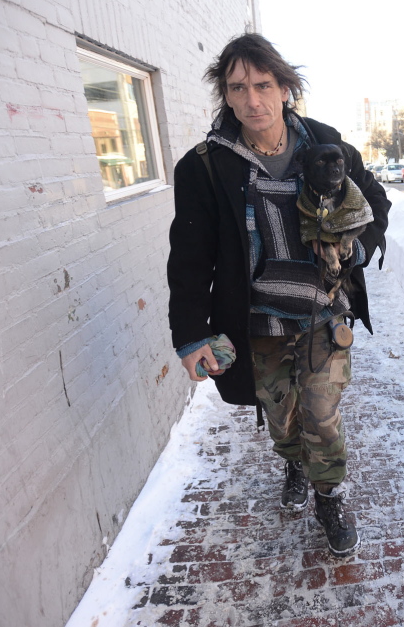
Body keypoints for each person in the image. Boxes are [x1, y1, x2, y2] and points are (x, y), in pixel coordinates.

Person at [167, 33, 390, 557]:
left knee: (321, 411)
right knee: (283, 417)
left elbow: (375, 203)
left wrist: (357, 252)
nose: (253, 100)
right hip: (256, 322)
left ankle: (330, 493)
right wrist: (190, 334)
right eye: (238, 87)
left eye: (264, 85)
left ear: (286, 87)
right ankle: (293, 461)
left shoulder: (324, 144)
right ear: (225, 93)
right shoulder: (202, 165)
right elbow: (190, 257)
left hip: (322, 313)